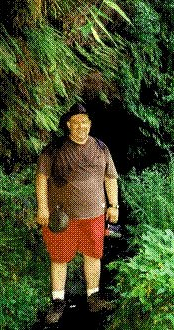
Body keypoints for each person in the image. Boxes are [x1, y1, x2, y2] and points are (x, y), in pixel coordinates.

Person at [35, 103, 119, 324]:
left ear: (90, 124)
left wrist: (114, 205)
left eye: (85, 121)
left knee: (93, 254)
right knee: (59, 257)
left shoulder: (101, 148)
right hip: (61, 216)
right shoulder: (54, 150)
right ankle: (58, 301)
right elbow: (42, 179)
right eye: (76, 122)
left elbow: (110, 178)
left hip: (95, 215)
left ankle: (93, 296)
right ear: (68, 124)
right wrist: (42, 207)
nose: (81, 126)